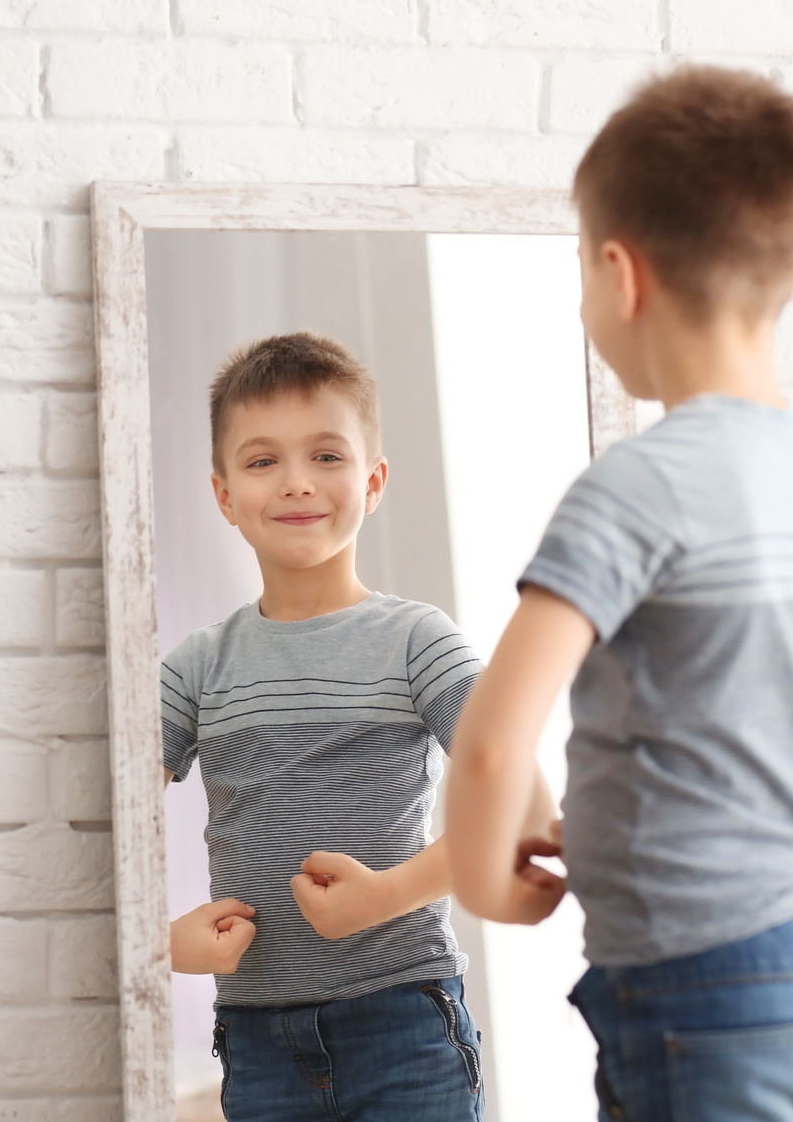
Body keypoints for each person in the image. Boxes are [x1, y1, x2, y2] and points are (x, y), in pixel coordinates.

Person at [445, 66, 793, 1122]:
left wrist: (480, 887)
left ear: (620, 273)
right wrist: (710, 818)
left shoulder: (636, 487)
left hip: (708, 980)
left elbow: (492, 742)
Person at [162, 333, 552, 1122]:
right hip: (257, 1037)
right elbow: (91, 829)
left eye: (328, 457)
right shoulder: (197, 666)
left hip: (404, 1018)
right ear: (223, 494)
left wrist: (384, 898)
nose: (298, 482)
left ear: (373, 482)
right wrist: (157, 941)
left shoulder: (418, 641)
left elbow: (524, 811)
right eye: (263, 460)